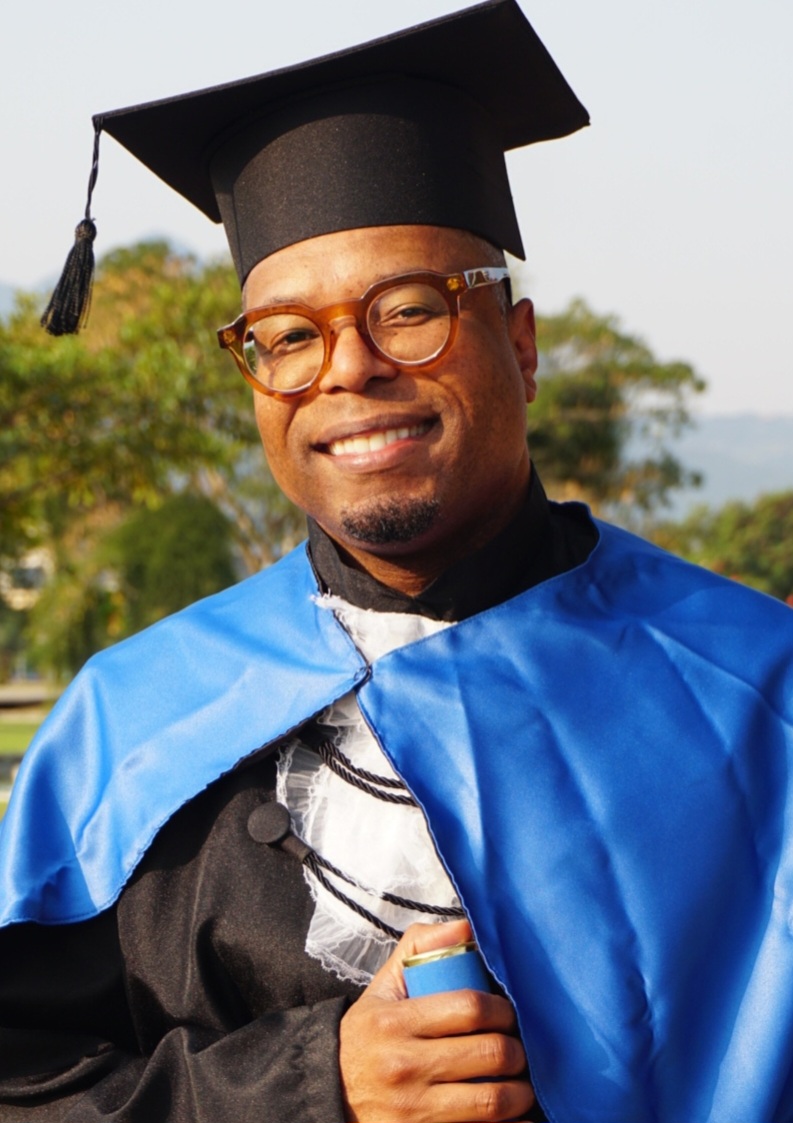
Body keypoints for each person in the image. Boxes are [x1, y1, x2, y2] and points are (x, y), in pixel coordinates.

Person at [2, 2, 793, 1121]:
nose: (348, 370)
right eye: (287, 336)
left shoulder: (757, 688)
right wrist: (309, 1084)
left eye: (410, 311)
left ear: (520, 345)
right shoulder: (131, 722)